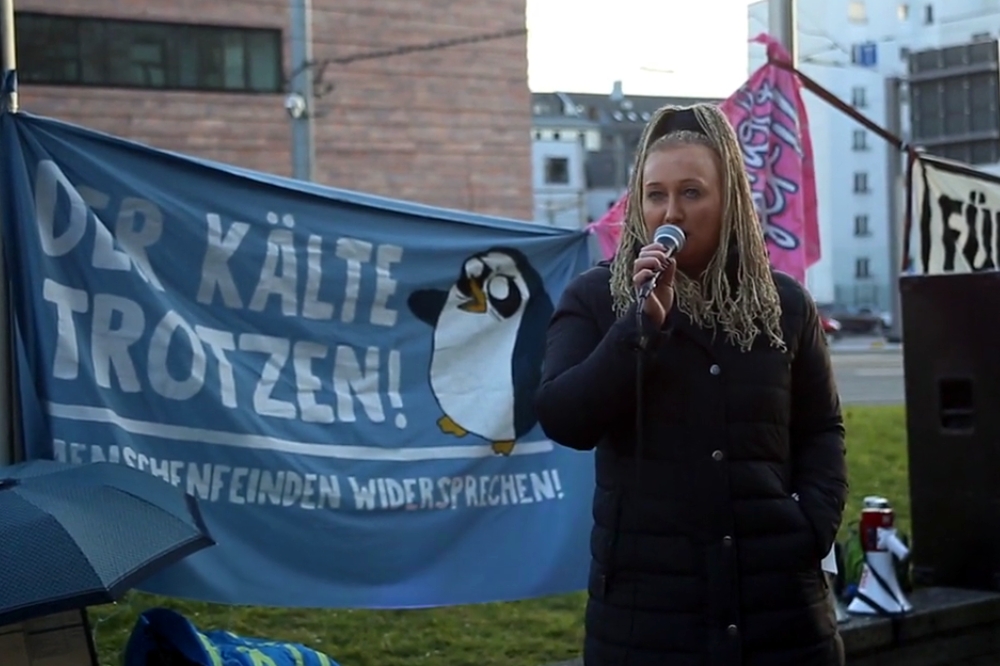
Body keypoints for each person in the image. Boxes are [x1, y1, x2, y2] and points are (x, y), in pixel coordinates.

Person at [534, 103, 848, 666]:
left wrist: (810, 528)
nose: (670, 213)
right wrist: (639, 328)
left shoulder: (786, 305)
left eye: (692, 193)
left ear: (728, 201)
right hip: (648, 622)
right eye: (655, 195)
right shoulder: (596, 298)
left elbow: (822, 429)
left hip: (780, 617)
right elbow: (563, 418)